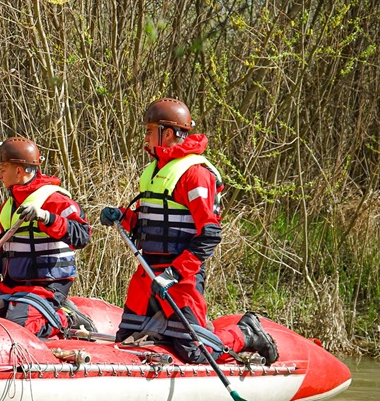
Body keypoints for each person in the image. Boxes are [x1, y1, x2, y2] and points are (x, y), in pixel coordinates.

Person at [99, 98, 278, 364]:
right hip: (147, 275)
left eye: (149, 131)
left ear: (167, 133)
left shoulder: (195, 174)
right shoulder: (154, 171)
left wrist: (175, 273)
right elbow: (153, 225)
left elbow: (209, 234)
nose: (145, 137)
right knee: (126, 341)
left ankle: (246, 333)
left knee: (197, 353)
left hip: (181, 277)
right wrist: (124, 217)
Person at [0, 136, 92, 337]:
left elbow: (82, 236)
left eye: (2, 169)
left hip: (46, 288)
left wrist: (47, 218)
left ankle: (67, 317)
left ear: (18, 170)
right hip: (10, 286)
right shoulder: (8, 208)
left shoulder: (55, 200)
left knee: (18, 327)